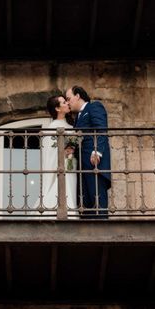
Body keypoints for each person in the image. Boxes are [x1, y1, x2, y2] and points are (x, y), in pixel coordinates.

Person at [65, 85, 111, 219]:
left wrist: (97, 151)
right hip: (82, 165)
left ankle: (102, 233)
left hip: (94, 163)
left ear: (78, 96)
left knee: (97, 201)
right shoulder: (77, 118)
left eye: (69, 98)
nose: (68, 102)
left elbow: (101, 129)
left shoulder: (93, 107)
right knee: (85, 204)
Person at [36, 95, 78, 218]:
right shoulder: (52, 127)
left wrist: (72, 148)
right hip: (61, 165)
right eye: (64, 102)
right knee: (63, 188)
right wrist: (63, 152)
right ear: (58, 109)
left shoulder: (70, 125)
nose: (67, 103)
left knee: (71, 186)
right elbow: (50, 151)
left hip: (71, 163)